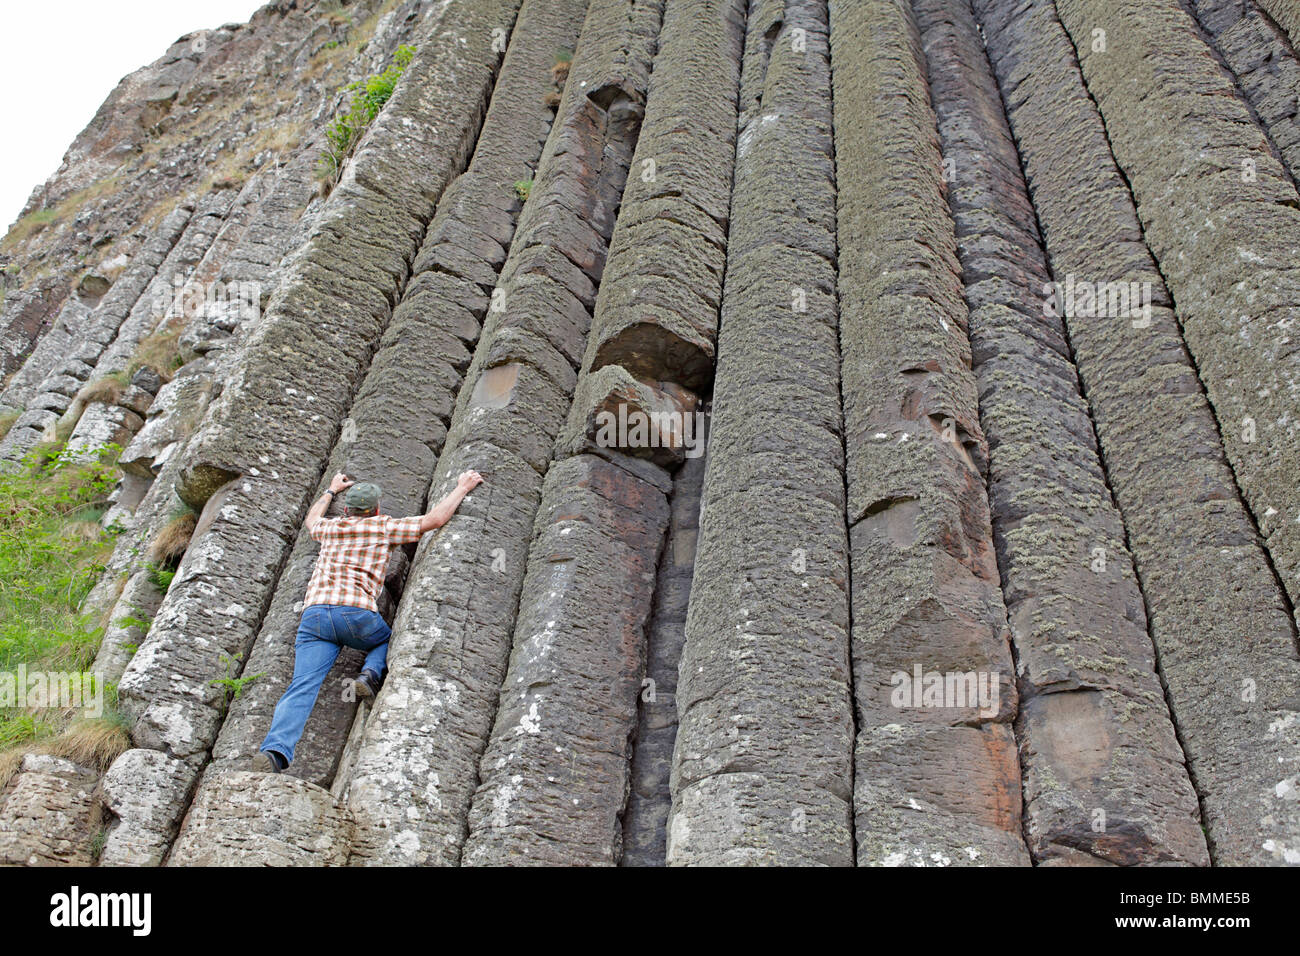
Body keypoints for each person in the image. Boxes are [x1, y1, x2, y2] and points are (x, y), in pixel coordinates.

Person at [253, 468, 484, 773]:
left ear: (347, 510)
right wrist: (462, 488)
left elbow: (311, 521)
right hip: (355, 614)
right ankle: (369, 675)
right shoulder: (383, 528)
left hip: (314, 618)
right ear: (375, 509)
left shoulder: (331, 528)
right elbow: (434, 521)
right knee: (388, 638)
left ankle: (274, 752)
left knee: (301, 686)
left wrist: (331, 490)